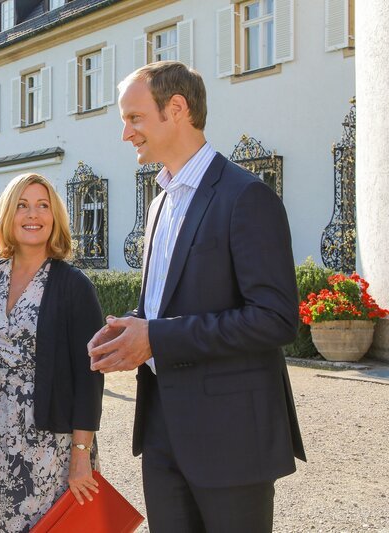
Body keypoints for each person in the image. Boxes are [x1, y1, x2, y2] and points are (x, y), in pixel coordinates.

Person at [88, 61, 306, 532]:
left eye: (134, 118)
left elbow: (275, 319)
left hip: (232, 438)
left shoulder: (246, 196)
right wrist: (128, 330)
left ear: (177, 109)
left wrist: (157, 338)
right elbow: (164, 309)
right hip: (162, 432)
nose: (126, 133)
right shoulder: (160, 201)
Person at [0, 173, 104, 532]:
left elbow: (91, 378)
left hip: (56, 445)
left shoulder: (74, 286)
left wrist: (80, 455)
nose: (34, 215)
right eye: (23, 206)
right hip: (4, 441)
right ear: (8, 216)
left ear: (55, 216)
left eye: (43, 206)